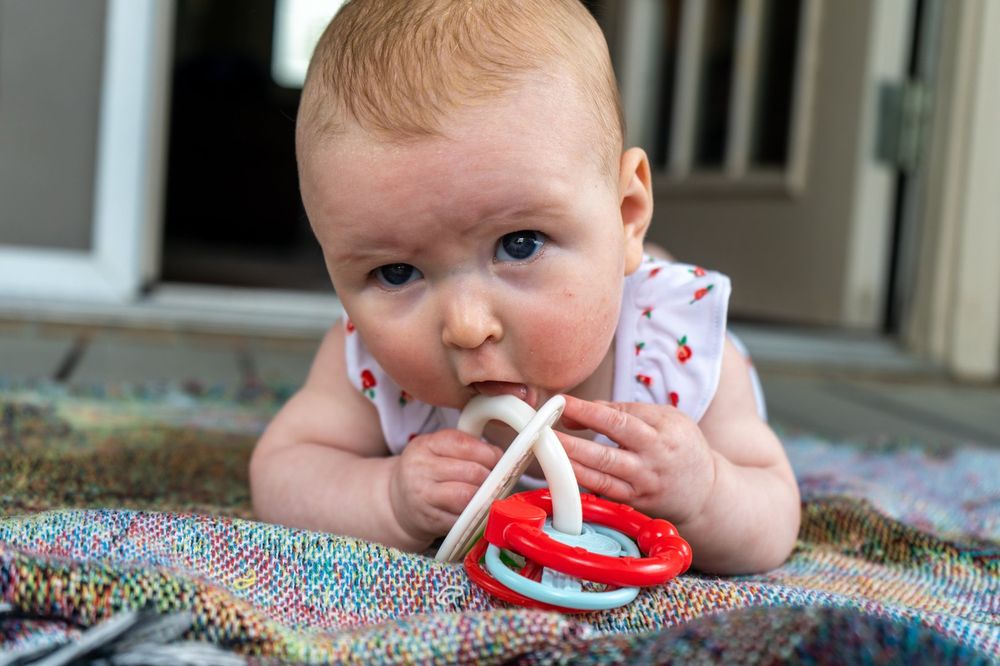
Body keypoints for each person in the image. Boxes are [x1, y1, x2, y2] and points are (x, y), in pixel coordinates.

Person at [250, 0, 800, 574]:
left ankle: (636, 260)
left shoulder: (679, 352)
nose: (466, 326)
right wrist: (387, 498)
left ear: (627, 212)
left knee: (638, 276)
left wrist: (705, 491)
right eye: (396, 272)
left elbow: (774, 517)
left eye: (520, 244)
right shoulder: (371, 365)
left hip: (638, 306)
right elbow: (282, 475)